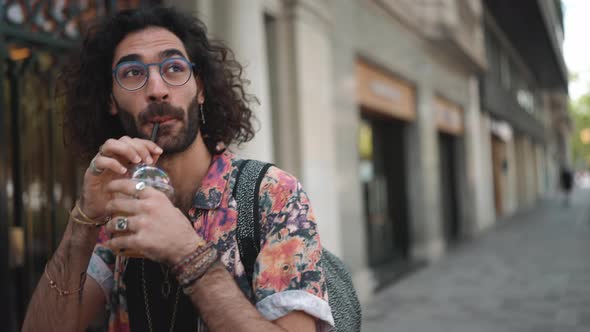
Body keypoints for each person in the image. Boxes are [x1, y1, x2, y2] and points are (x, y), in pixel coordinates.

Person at [22, 6, 334, 332]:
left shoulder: (273, 194)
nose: (156, 88)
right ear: (111, 100)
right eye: (133, 73)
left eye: (173, 68)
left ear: (199, 89)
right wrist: (83, 219)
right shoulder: (120, 204)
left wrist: (188, 253)